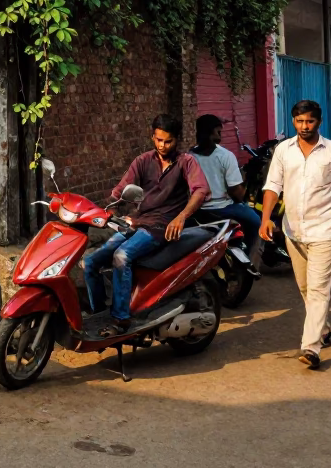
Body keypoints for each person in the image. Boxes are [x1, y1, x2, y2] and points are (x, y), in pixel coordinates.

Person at [260, 100, 331, 370]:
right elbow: (273, 186)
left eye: (309, 121)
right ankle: (324, 329)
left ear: (319, 122)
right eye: (299, 121)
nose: (304, 126)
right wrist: (266, 220)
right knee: (305, 287)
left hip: (325, 231)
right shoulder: (284, 150)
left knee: (318, 289)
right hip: (293, 230)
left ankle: (311, 347)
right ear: (293, 121)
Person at [83, 114, 209, 336]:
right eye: (158, 140)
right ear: (152, 137)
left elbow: (201, 190)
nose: (162, 145)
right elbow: (121, 189)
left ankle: (121, 318)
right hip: (137, 223)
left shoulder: (186, 162)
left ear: (176, 140)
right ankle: (98, 313)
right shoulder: (143, 161)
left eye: (168, 141)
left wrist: (181, 216)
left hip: (161, 227)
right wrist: (111, 209)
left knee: (122, 256)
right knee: (91, 262)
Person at [190, 114, 262, 263]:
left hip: (196, 210)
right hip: (223, 208)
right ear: (208, 133)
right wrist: (243, 198)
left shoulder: (188, 157)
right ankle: (247, 260)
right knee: (257, 223)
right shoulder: (225, 156)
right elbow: (236, 191)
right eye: (218, 132)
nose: (220, 137)